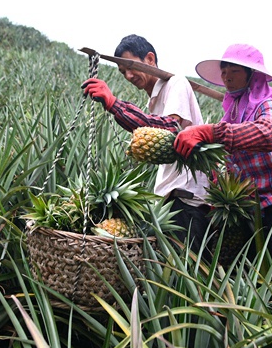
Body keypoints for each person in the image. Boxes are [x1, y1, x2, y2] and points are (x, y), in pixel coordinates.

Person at [82, 34, 210, 252]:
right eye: (122, 72)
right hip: (170, 199)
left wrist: (114, 104)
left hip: (186, 201)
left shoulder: (176, 83)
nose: (129, 75)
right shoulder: (154, 100)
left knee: (185, 275)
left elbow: (169, 128)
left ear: (150, 59)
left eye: (131, 66)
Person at [172, 44, 272, 271]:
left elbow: (268, 134)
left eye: (235, 70)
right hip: (245, 206)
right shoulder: (234, 111)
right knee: (246, 272)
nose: (227, 76)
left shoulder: (268, 106)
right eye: (224, 70)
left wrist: (211, 132)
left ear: (253, 75)